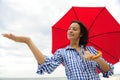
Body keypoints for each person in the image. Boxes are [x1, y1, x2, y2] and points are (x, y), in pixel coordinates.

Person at [2, 20, 114, 80]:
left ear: (81, 34)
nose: (70, 30)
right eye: (69, 29)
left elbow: (108, 70)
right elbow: (47, 66)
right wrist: (28, 41)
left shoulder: (91, 49)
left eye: (74, 29)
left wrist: (97, 58)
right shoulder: (62, 52)